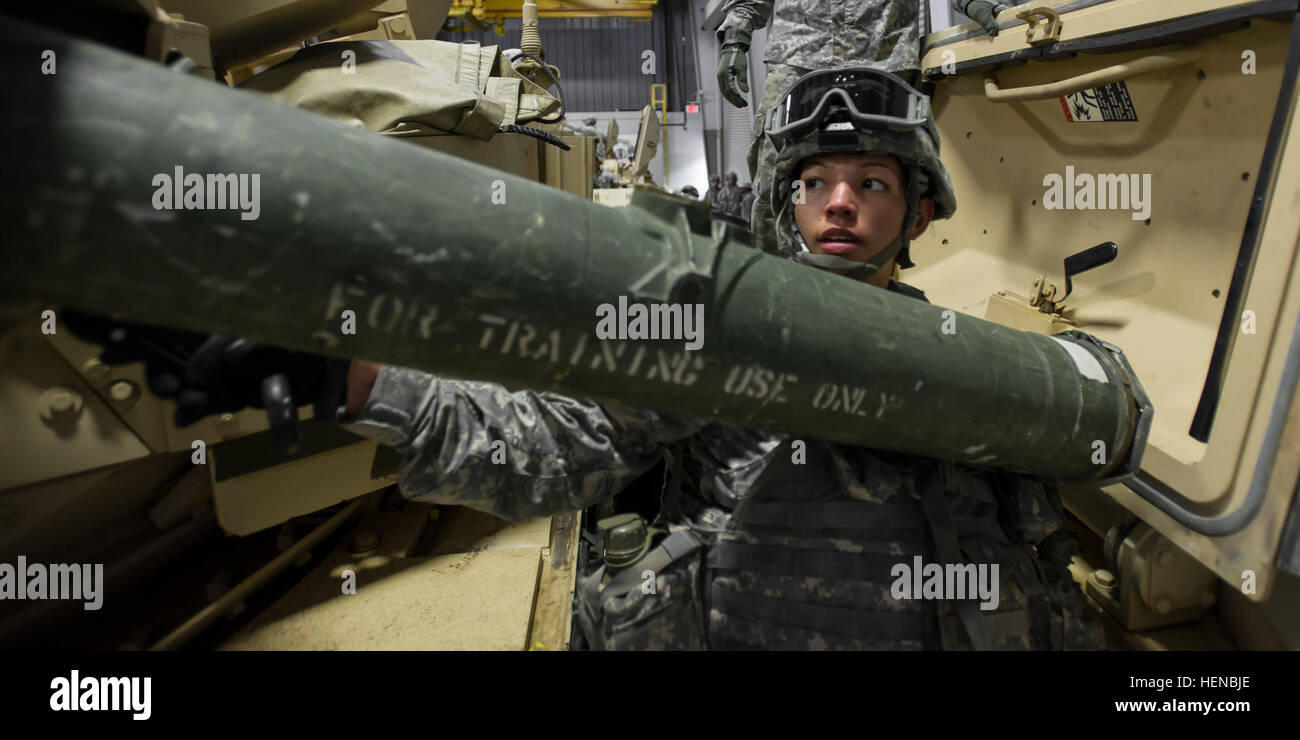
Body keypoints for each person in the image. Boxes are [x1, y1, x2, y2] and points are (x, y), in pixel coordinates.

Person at [77, 68, 1100, 651]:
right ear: (782, 201)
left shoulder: (987, 366)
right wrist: (329, 373)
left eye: (871, 182)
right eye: (816, 182)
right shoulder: (716, 335)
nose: (840, 204)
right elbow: (539, 445)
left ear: (917, 209)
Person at [716, 1, 1004, 253]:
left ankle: (877, 293)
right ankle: (776, 292)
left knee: (894, 183)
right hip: (799, 52)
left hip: (884, 50)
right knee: (773, 183)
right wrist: (735, 35)